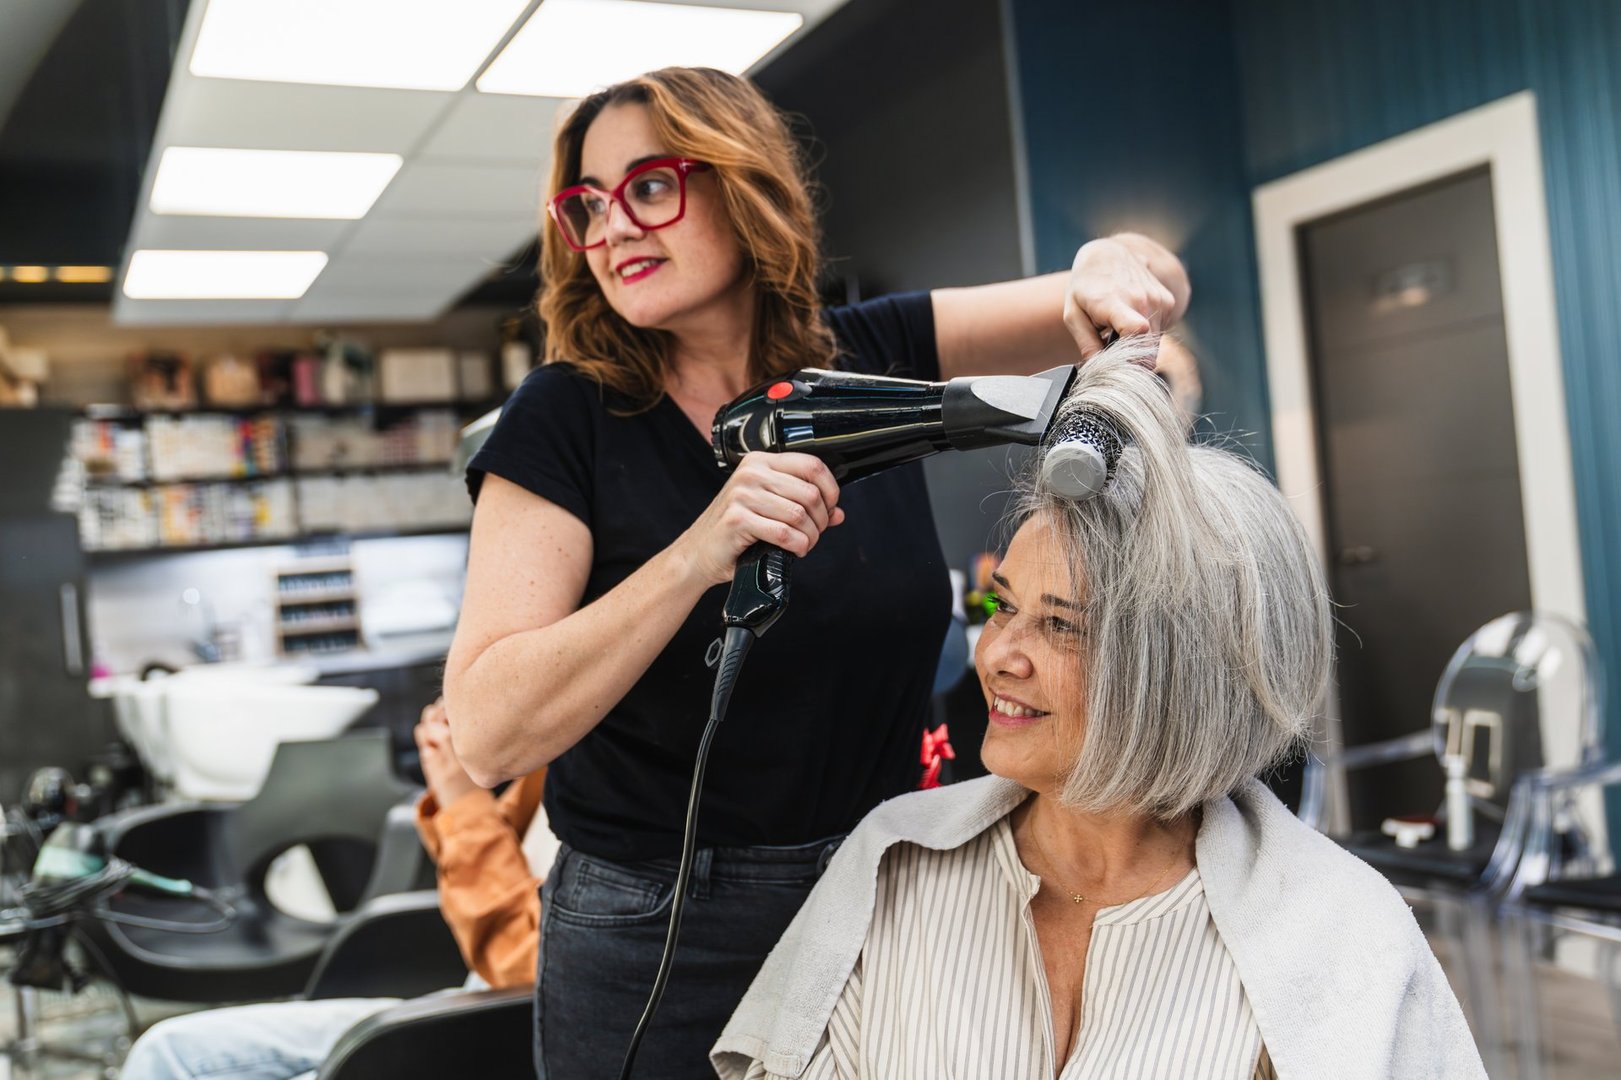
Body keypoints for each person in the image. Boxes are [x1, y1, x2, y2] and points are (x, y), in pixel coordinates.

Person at [441, 66, 1191, 1078]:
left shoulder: (868, 357)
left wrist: (1116, 261)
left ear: (739, 185)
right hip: (656, 929)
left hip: (880, 886)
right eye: (585, 205)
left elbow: (1136, 284)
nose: (611, 228)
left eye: (648, 187)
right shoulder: (564, 418)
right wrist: (698, 555)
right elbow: (485, 734)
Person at [713, 341, 1485, 1079]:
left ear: (1183, 673)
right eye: (1001, 606)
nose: (998, 655)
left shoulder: (1337, 932)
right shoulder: (892, 868)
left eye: (1059, 624)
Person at [119, 701, 550, 1080]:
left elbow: (530, 966)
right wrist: (458, 782)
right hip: (471, 998)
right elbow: (501, 853)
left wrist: (461, 800)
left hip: (509, 1023)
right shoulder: (561, 751)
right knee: (166, 1051)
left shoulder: (604, 776)